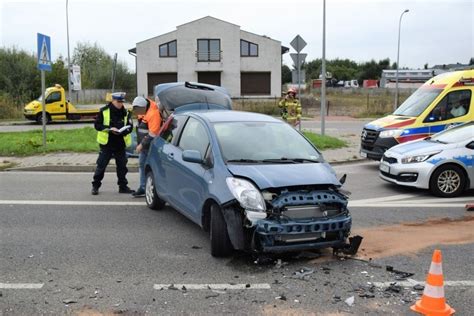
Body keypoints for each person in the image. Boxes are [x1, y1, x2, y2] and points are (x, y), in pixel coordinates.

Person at [91, 92, 134, 195]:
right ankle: (95, 186)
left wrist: (124, 131)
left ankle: (123, 187)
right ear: (113, 101)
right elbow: (97, 125)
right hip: (107, 144)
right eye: (118, 102)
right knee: (101, 166)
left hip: (120, 143)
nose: (120, 104)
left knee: (122, 166)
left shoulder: (126, 112)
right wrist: (110, 129)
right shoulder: (104, 111)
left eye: (121, 102)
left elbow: (130, 127)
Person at [131, 96, 162, 197]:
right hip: (145, 146)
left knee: (149, 167)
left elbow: (153, 133)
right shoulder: (145, 110)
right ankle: (143, 187)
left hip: (150, 147)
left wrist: (141, 145)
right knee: (142, 165)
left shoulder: (153, 114)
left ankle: (150, 188)